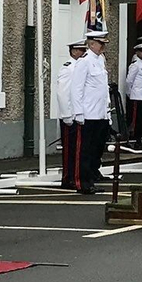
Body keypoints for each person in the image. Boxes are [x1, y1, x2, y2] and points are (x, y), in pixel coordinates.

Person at [69, 24, 112, 193]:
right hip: (87, 113)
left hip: (99, 113)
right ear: (91, 44)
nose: (103, 47)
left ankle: (91, 179)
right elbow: (76, 88)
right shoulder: (84, 62)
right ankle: (82, 182)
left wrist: (106, 110)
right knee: (84, 151)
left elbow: (103, 88)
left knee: (94, 149)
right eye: (101, 44)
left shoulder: (100, 61)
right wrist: (78, 112)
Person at [54, 38, 84, 188]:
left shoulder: (81, 67)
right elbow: (63, 93)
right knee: (70, 150)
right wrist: (66, 115)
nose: (84, 53)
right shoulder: (68, 68)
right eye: (81, 50)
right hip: (70, 115)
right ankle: (68, 178)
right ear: (74, 51)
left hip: (79, 114)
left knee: (78, 150)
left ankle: (75, 176)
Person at [123, 41, 142, 145]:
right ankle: (133, 139)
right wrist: (130, 94)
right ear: (137, 52)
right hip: (137, 96)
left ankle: (139, 138)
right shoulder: (135, 65)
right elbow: (129, 81)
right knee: (135, 120)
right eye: (141, 51)